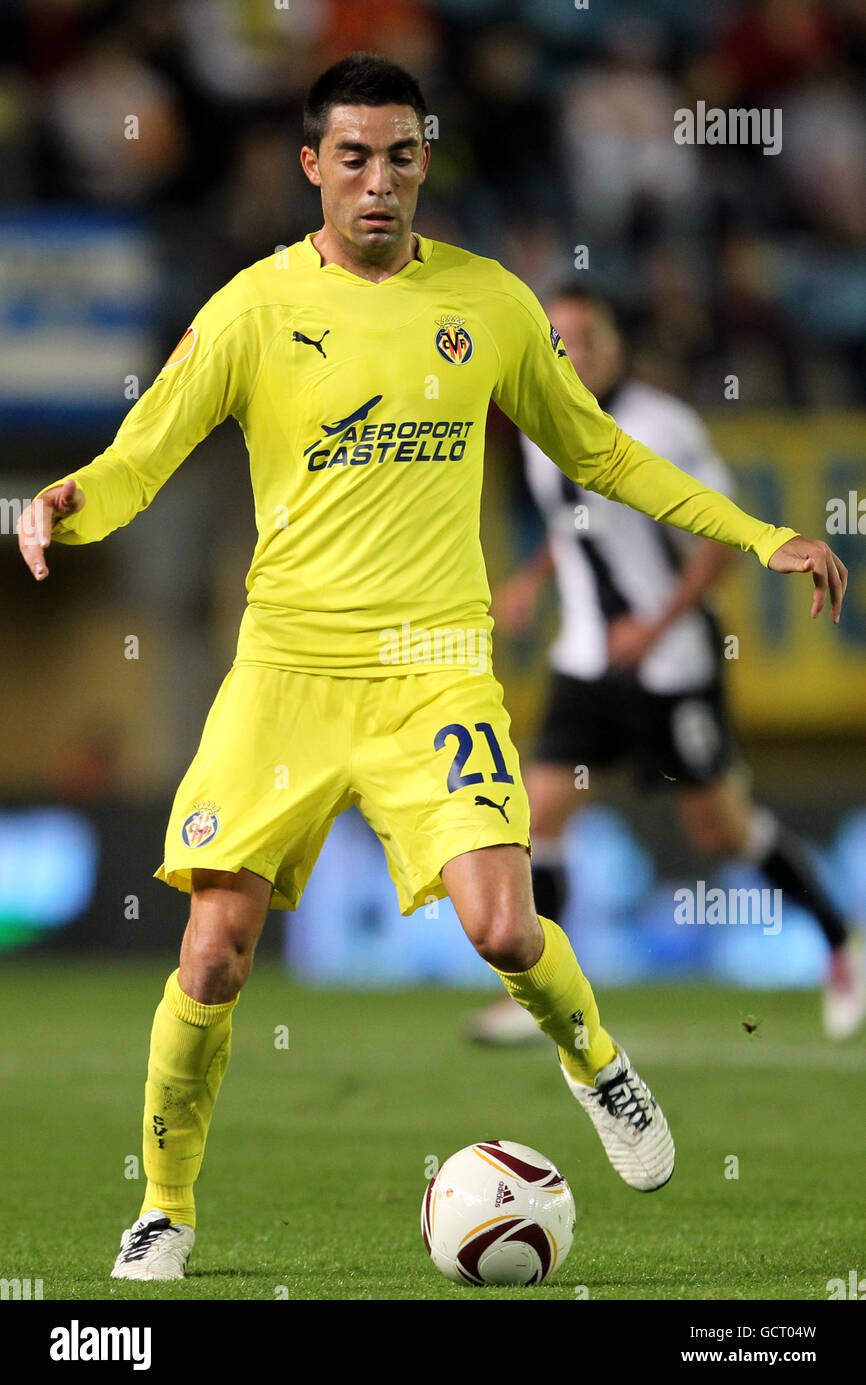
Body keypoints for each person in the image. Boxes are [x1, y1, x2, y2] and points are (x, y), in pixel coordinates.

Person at [18, 54, 847, 1282]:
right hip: (287, 671)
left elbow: (603, 453)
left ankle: (595, 1063)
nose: (377, 182)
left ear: (423, 162)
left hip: (434, 669)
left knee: (507, 928)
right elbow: (141, 457)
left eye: (400, 156)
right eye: (351, 157)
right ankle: (166, 1207)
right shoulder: (251, 307)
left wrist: (755, 532)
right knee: (212, 953)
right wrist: (66, 504)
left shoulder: (491, 305)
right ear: (311, 166)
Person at [469, 287, 864, 1048]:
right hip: (587, 660)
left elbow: (716, 539)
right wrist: (531, 579)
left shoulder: (663, 425)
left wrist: (654, 629)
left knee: (720, 824)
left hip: (673, 664)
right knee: (535, 814)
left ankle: (842, 941)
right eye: (561, 338)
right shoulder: (538, 424)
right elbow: (576, 519)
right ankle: (541, 994)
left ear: (616, 344)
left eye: (588, 335)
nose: (574, 351)